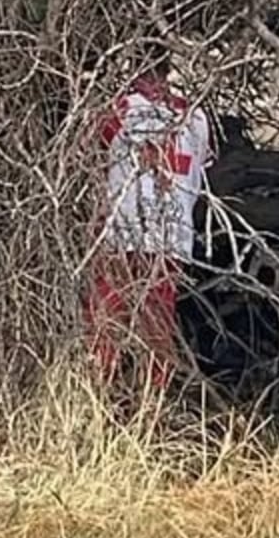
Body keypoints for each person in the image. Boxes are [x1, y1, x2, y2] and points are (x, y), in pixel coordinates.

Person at [84, 43, 216, 390]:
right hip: (171, 236)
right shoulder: (196, 118)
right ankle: (151, 399)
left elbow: (90, 158)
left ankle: (98, 391)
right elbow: (202, 168)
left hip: (122, 232)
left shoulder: (119, 109)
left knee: (106, 319)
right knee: (158, 324)